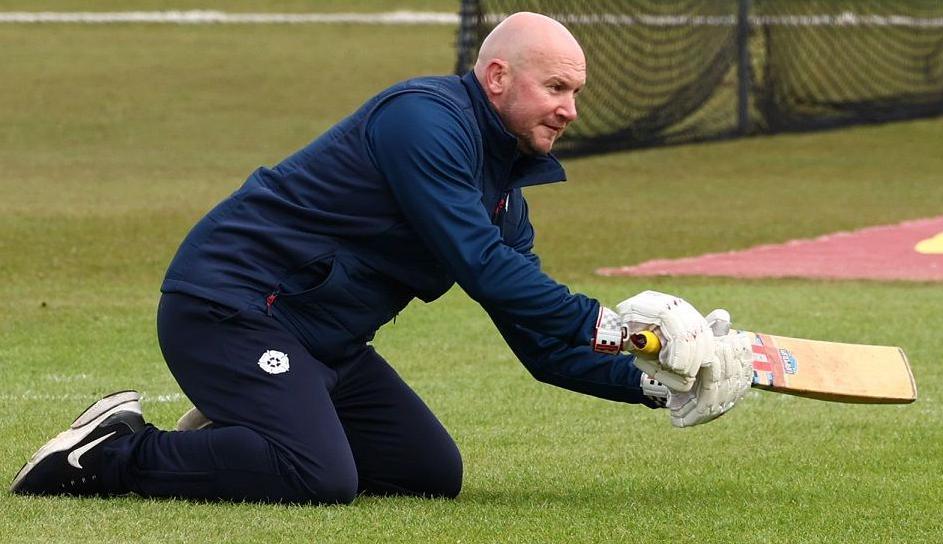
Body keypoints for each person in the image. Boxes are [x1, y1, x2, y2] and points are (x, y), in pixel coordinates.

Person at [10, 12, 753, 504]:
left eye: (576, 93)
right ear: (498, 78)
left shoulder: (504, 198)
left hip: (322, 345)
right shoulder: (422, 121)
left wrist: (660, 383)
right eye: (556, 87)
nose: (571, 109)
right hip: (229, 309)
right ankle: (107, 455)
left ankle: (251, 426)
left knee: (431, 474)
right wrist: (619, 327)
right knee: (321, 478)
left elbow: (541, 349)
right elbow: (480, 264)